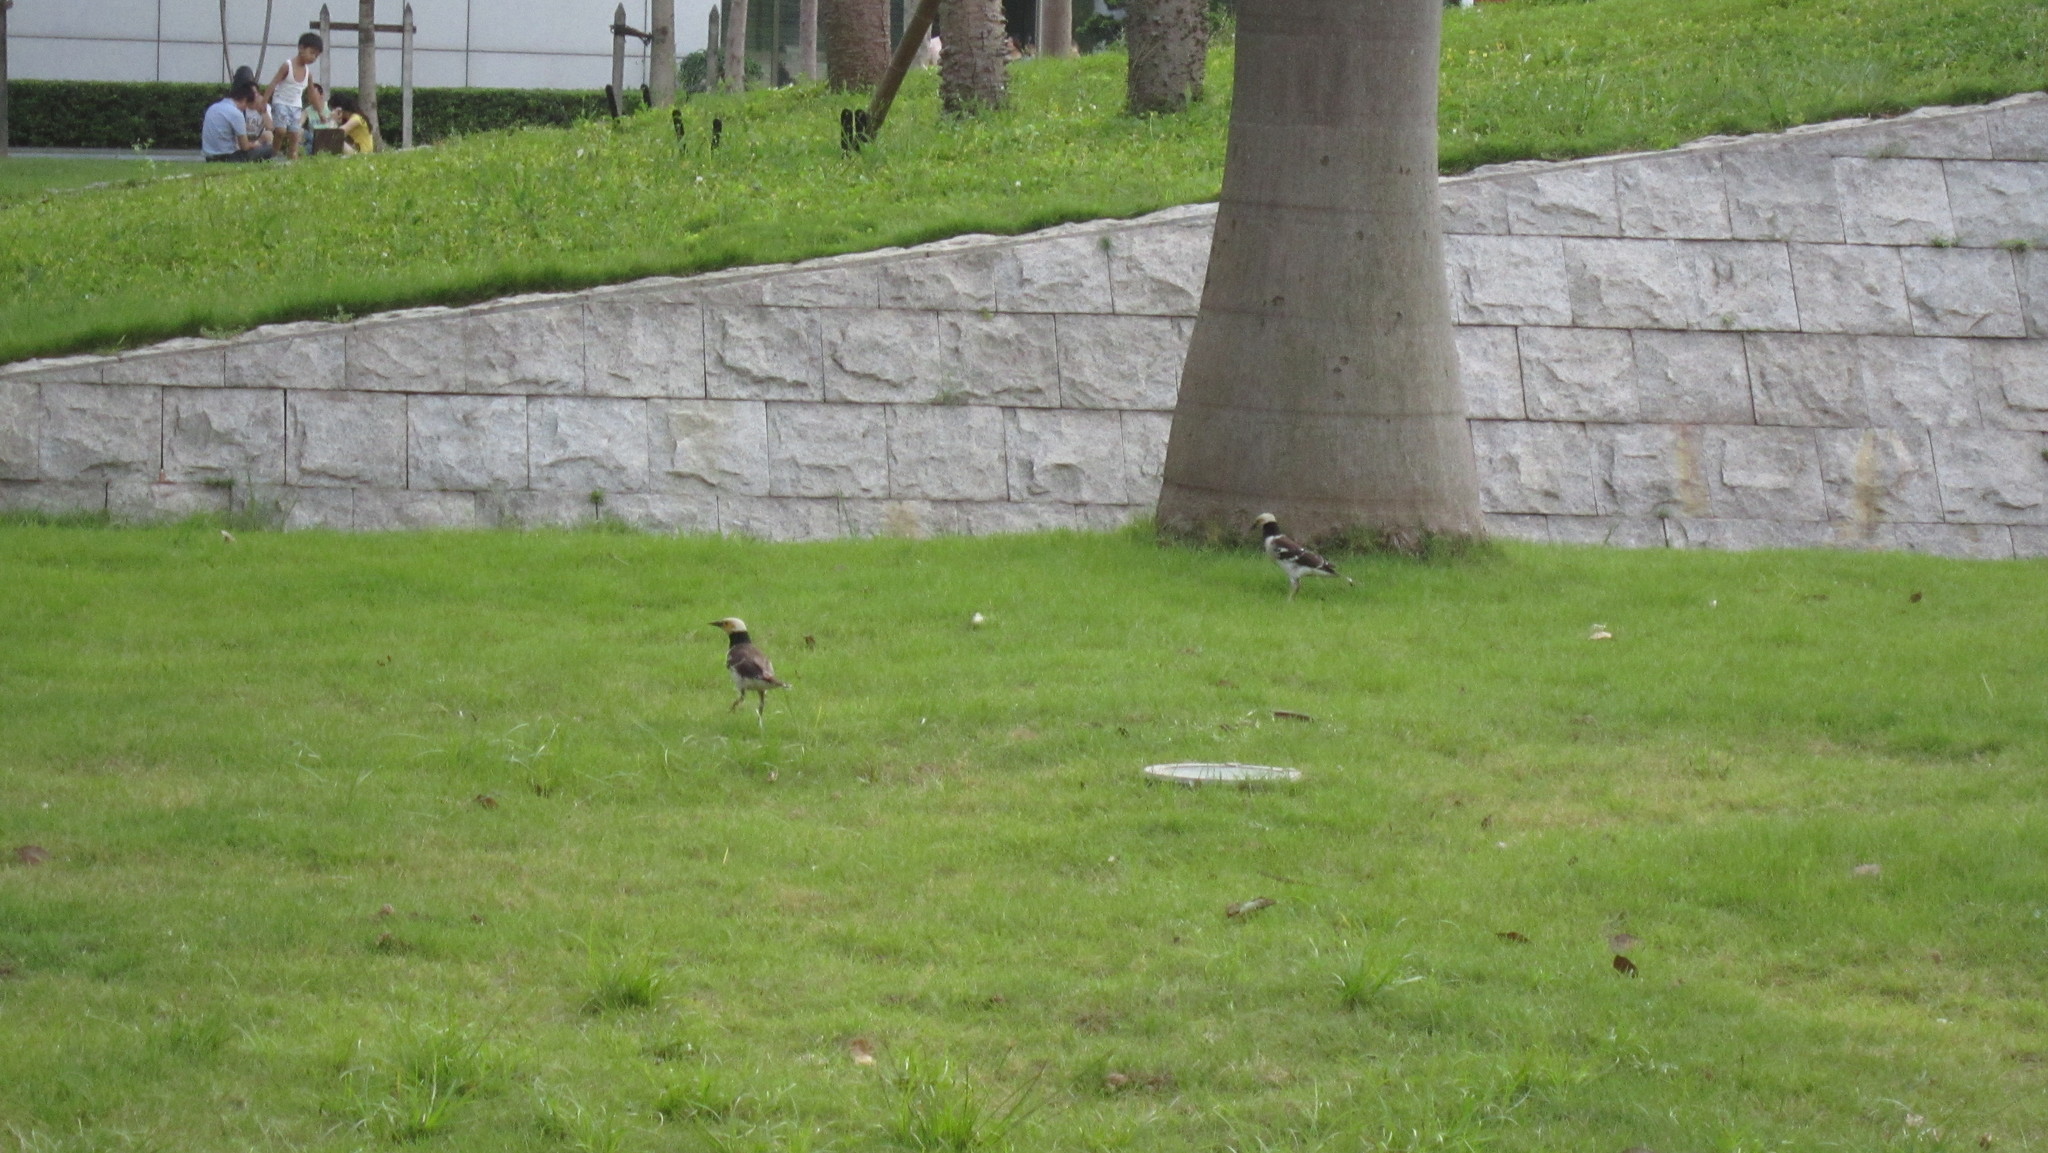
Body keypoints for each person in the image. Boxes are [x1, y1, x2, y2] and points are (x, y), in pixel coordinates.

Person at [263, 33, 328, 159]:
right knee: (281, 131)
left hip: (295, 106)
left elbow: (311, 94)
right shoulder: (287, 66)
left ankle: (292, 158)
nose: (313, 57)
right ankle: (274, 155)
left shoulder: (308, 73)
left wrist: (320, 112)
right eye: (311, 52)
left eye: (316, 55)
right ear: (301, 48)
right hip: (281, 102)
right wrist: (264, 101)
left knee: (294, 134)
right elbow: (274, 83)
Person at [201, 79, 276, 162]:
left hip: (209, 157)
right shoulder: (236, 114)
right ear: (245, 100)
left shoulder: (213, 107)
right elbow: (245, 147)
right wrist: (256, 144)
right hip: (228, 157)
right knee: (269, 149)